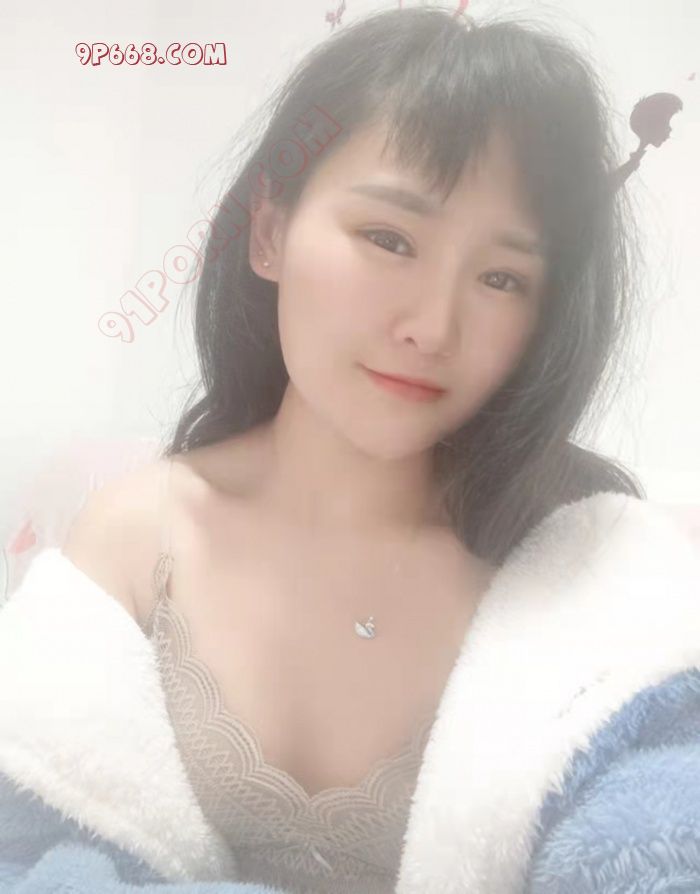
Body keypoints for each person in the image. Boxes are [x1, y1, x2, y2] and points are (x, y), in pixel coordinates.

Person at [1, 6, 699, 893]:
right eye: (389, 239)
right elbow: (35, 845)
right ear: (269, 232)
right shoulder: (140, 534)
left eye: (501, 278)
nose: (432, 327)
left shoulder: (587, 573)